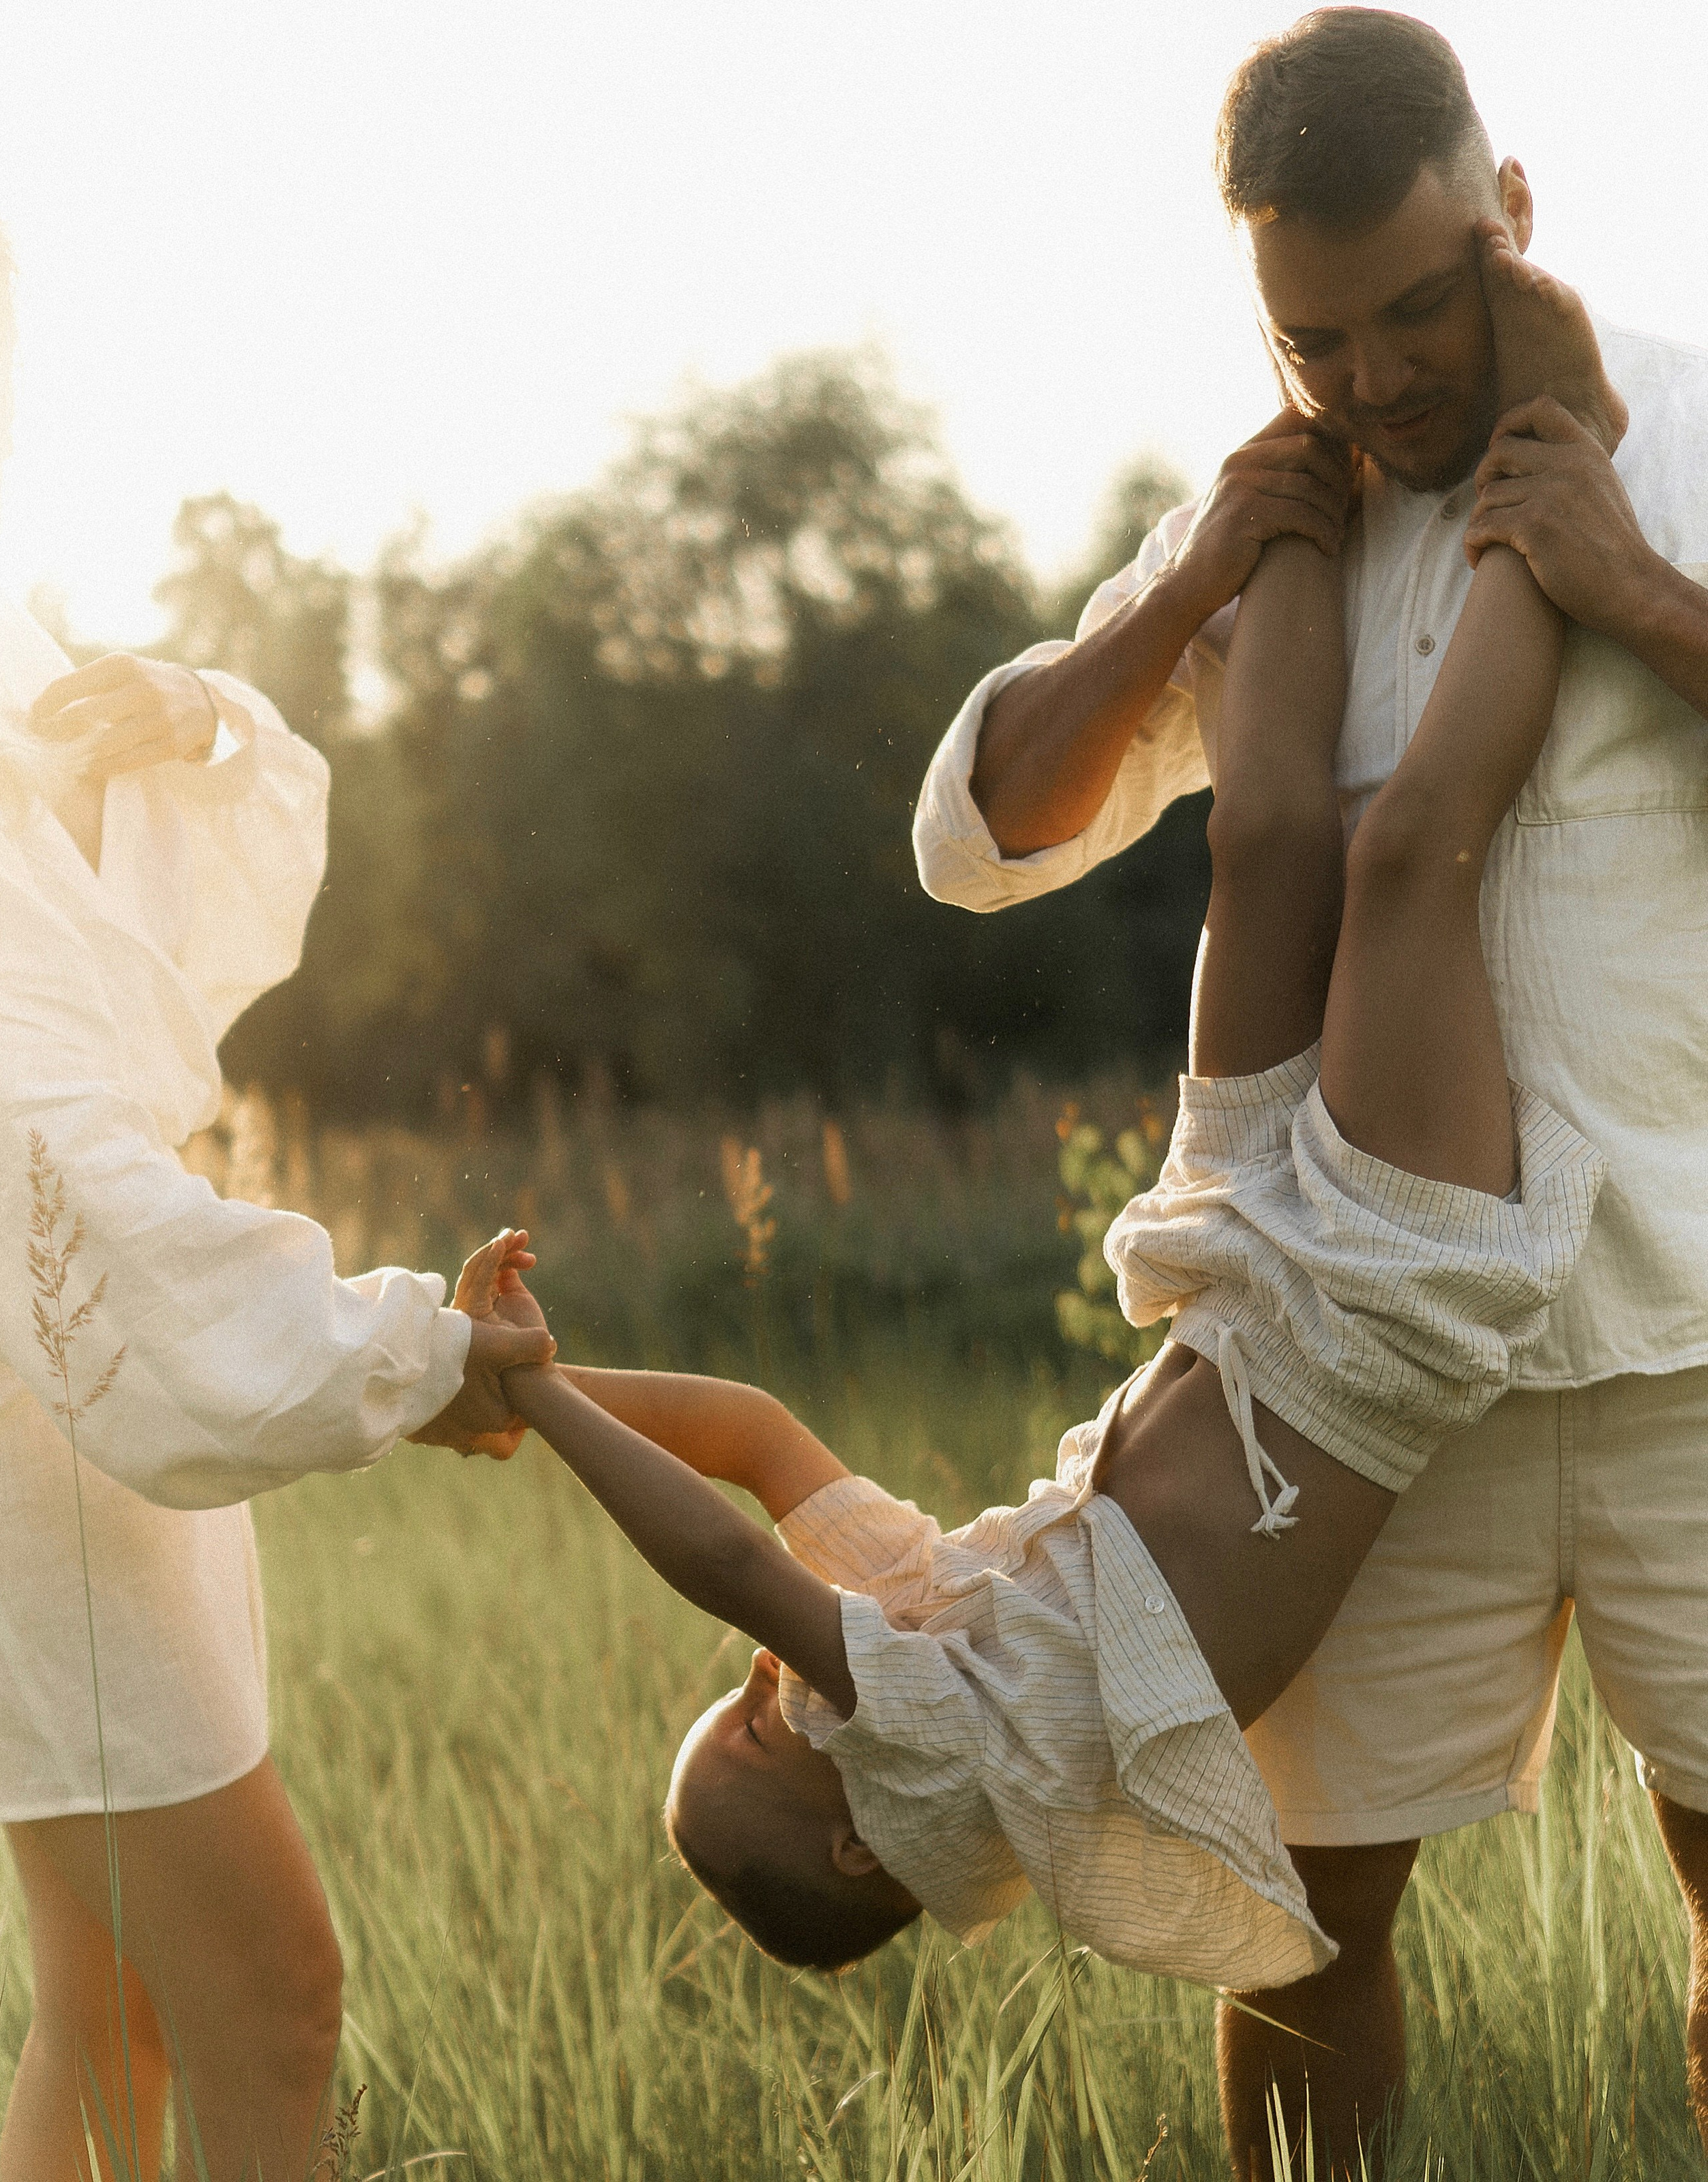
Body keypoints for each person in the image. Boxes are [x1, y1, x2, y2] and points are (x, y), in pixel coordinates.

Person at [453, 475, 1602, 1998]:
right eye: (753, 1729)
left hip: (1245, 1279)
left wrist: (486, 1375)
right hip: (1366, 1313)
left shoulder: (941, 1630)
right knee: (1407, 849)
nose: (762, 1675)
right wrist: (532, 1398)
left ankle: (1300, 478)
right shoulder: (958, 1757)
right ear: (866, 1843)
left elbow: (754, 1441)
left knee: (1266, 837)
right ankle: (1552, 505)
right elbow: (722, 1557)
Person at [912, 11, 1708, 2172]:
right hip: (1372, 1387)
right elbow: (982, 833)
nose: (1371, 379)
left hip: (1693, 1334)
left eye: (1415, 310)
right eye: (1311, 338)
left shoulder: (1692, 421)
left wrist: (1635, 585)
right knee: (1306, 1928)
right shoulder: (1272, 518)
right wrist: (1182, 582)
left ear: (1510, 213)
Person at [0, 177, 549, 2182]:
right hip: (45, 1399)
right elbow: (41, 1138)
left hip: (71, 1397)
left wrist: (197, 717)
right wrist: (404, 1353)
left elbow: (140, 974)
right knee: (268, 1997)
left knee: (115, 2005)